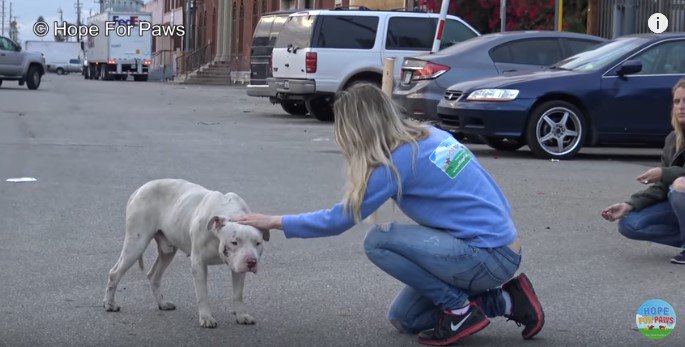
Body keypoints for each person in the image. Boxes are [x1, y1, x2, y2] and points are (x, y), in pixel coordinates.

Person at [232, 84, 544, 345]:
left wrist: (273, 221)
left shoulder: (396, 162)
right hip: (501, 248)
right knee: (405, 319)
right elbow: (487, 192)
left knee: (378, 241)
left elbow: (338, 220)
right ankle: (508, 300)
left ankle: (459, 310)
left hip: (487, 254)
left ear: (357, 128)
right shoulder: (431, 137)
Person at [602, 78, 685, 264]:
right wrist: (630, 204)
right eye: (677, 101)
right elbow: (662, 188)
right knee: (630, 224)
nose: (680, 107)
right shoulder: (673, 139)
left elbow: (671, 178)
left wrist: (664, 173)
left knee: (680, 185)